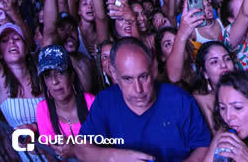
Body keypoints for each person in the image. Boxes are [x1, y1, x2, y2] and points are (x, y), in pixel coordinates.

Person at [76, 37, 211, 162]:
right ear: (114, 74)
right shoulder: (105, 102)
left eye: (143, 77)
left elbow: (203, 146)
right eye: (128, 79)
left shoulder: (180, 100)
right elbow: (81, 148)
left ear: (153, 69)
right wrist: (115, 157)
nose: (138, 89)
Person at [35, 44, 95, 159]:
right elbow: (50, 155)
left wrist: (75, 149)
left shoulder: (92, 103)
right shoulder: (43, 109)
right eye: (47, 76)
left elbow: (104, 147)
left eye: (60, 72)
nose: (54, 81)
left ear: (71, 75)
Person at [0, 22, 43, 160]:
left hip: (52, 149)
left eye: (17, 39)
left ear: (26, 47)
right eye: (5, 41)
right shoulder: (0, 77)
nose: (11, 41)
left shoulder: (41, 73)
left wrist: (35, 127)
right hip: (22, 155)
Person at [190, 40, 235, 132]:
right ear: (205, 73)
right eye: (214, 62)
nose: (223, 65)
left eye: (227, 59)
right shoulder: (201, 99)